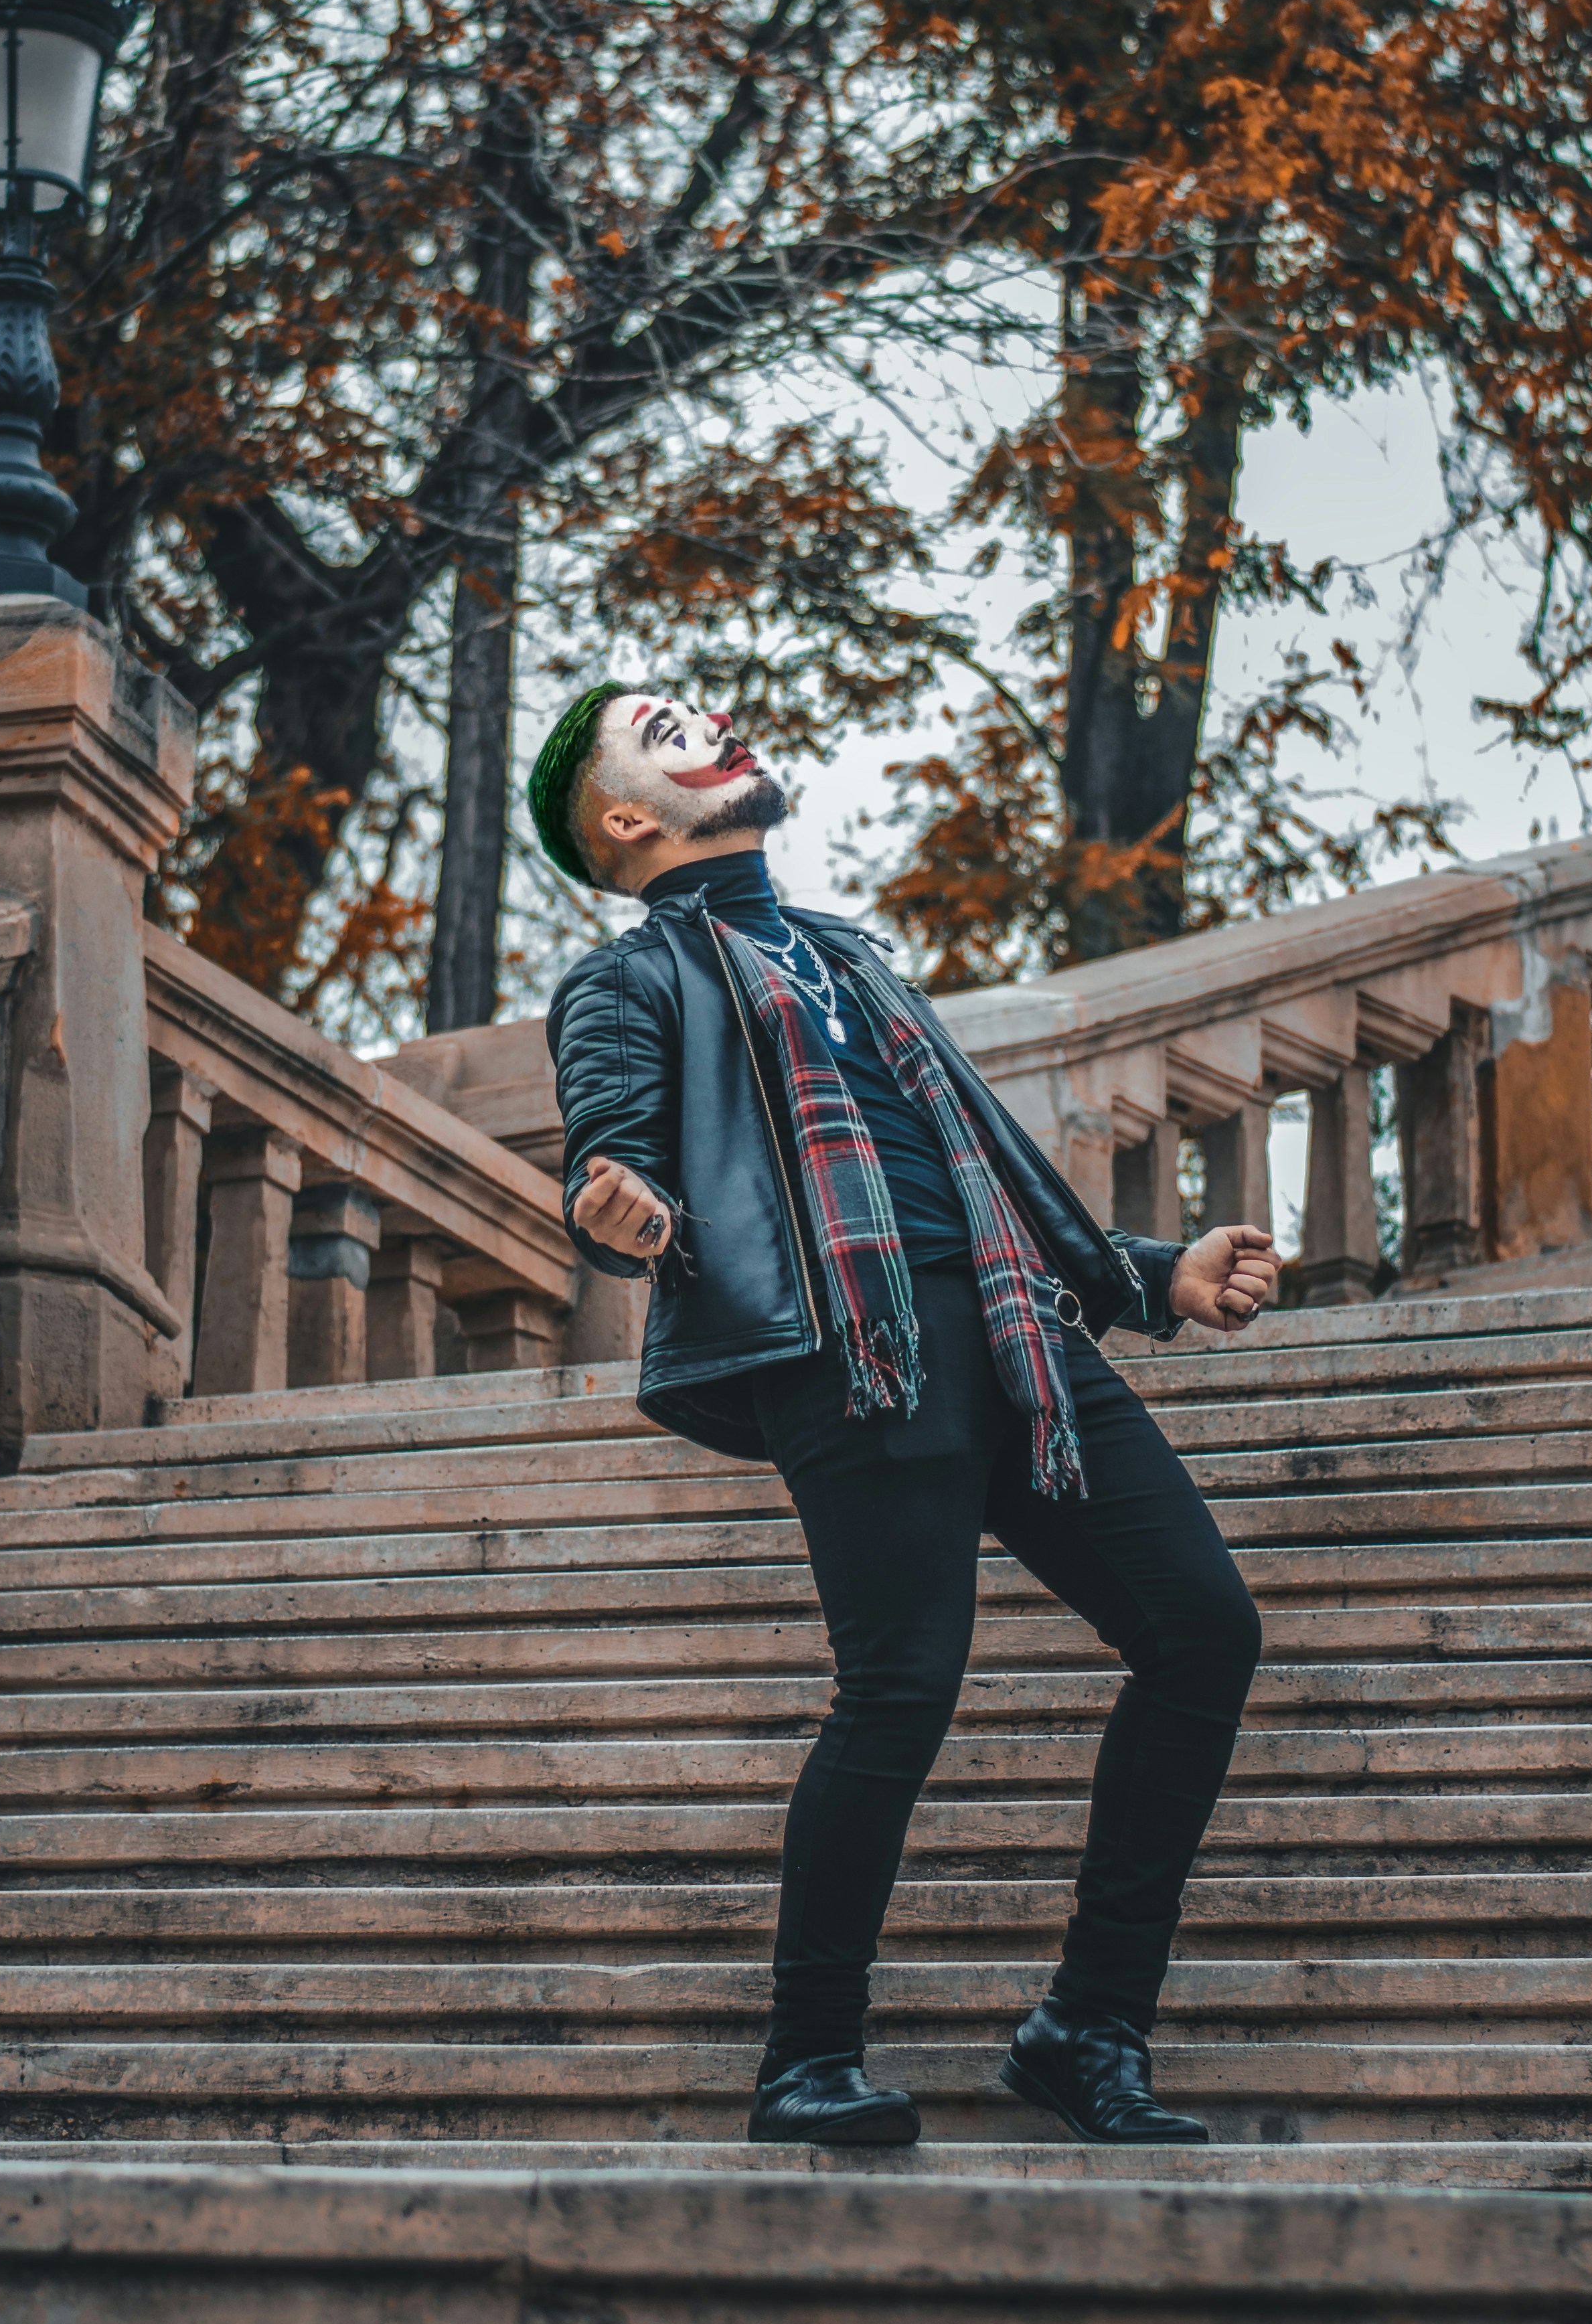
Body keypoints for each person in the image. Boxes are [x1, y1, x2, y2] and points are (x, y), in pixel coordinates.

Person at [531, 683, 1283, 2150]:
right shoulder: (630, 983)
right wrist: (613, 1206)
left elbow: (984, 1172)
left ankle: (1088, 2025)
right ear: (627, 819)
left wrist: (1147, 1276)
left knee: (1202, 1630)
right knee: (900, 1689)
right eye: (668, 726)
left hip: (1018, 1338)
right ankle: (805, 2056)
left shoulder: (852, 963)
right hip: (850, 1353)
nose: (719, 722)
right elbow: (608, 1150)